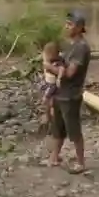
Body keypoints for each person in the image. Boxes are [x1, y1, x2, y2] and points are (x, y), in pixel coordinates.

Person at [45, 10, 92, 173]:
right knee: (58, 128)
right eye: (66, 23)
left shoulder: (81, 47)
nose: (66, 26)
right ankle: (54, 157)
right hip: (60, 93)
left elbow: (70, 73)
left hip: (71, 95)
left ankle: (80, 162)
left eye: (70, 24)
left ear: (79, 27)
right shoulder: (69, 45)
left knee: (73, 130)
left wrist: (48, 67)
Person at [40, 41, 64, 121]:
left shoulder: (57, 62)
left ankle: (50, 117)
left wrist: (59, 78)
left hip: (52, 85)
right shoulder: (48, 61)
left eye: (46, 54)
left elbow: (61, 69)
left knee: (48, 98)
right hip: (48, 83)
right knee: (49, 101)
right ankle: (49, 116)